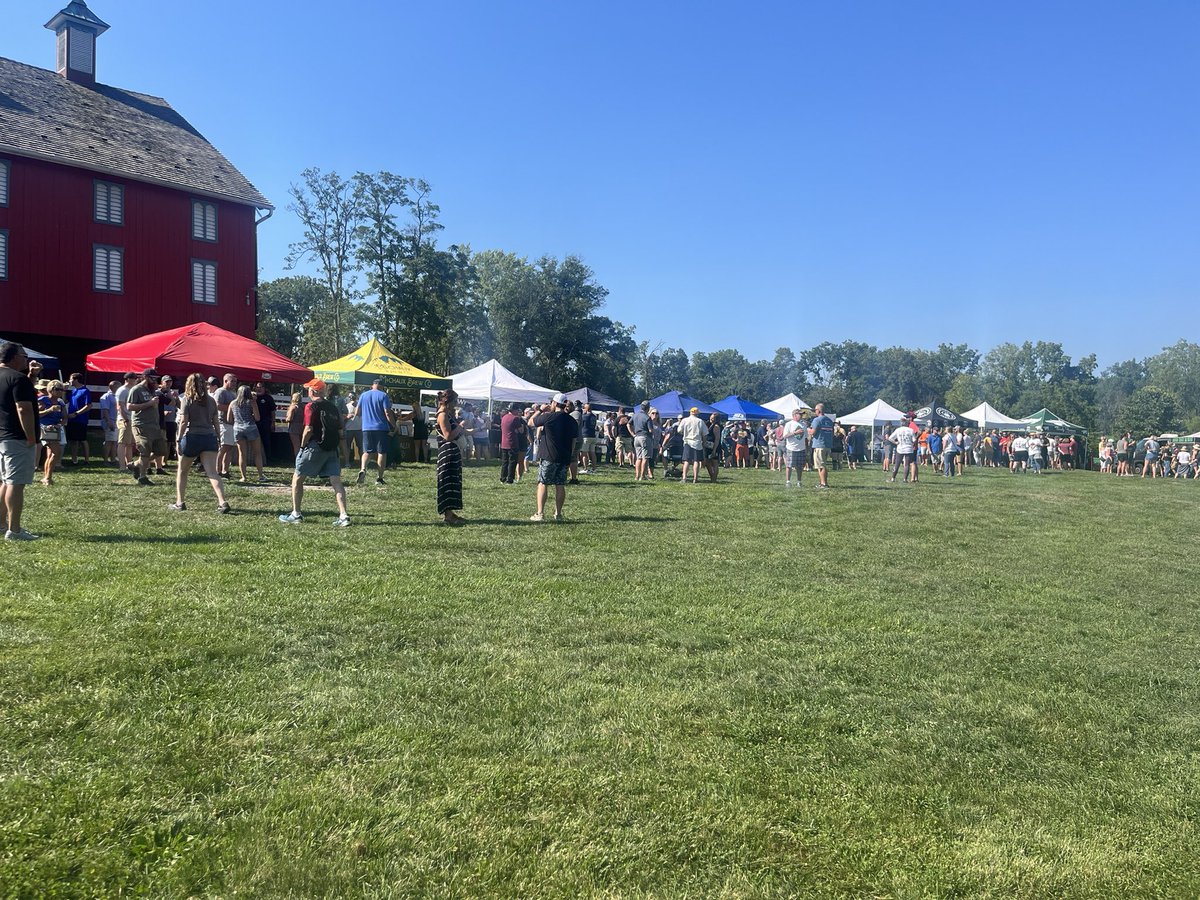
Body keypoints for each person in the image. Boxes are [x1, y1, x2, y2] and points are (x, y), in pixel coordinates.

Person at [279, 379, 350, 526]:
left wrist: (303, 446)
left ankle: (296, 514)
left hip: (315, 446)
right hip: (332, 447)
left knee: (297, 478)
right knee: (336, 482)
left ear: (312, 391)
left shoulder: (311, 406)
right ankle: (344, 515)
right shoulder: (333, 407)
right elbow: (340, 430)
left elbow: (309, 429)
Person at [170, 373, 230, 513]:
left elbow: (184, 421)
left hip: (192, 437)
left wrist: (178, 439)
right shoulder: (211, 400)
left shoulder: (187, 399)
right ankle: (222, 502)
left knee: (182, 471)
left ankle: (180, 502)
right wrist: (218, 438)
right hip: (209, 437)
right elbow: (215, 421)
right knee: (212, 473)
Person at [0, 342, 39, 540]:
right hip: (17, 438)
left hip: (2, 437)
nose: (26, 359)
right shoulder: (18, 379)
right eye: (23, 356)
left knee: (6, 481)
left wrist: (32, 375)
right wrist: (30, 436)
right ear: (14, 357)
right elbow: (23, 408)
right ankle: (14, 530)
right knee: (16, 482)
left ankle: (1, 523)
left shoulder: (8, 377)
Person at [530, 393, 579, 521]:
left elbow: (530, 422)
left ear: (555, 404)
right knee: (560, 485)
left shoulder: (548, 417)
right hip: (564, 457)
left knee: (543, 483)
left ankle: (540, 513)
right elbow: (573, 441)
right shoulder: (572, 421)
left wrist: (540, 410)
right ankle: (558, 514)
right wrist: (570, 456)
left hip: (548, 456)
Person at [127, 369, 168, 485]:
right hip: (141, 425)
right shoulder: (136, 389)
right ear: (145, 377)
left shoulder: (153, 390)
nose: (155, 380)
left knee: (161, 451)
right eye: (152, 378)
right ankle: (143, 476)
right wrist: (148, 404)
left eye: (156, 378)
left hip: (154, 425)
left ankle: (136, 465)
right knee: (145, 452)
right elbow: (129, 407)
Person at [356, 378, 395, 485]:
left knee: (367, 451)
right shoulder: (383, 396)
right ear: (382, 386)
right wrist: (393, 425)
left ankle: (363, 469)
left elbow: (357, 412)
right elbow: (387, 412)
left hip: (366, 428)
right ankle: (379, 478)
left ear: (372, 385)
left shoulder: (363, 395)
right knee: (382, 452)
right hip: (381, 428)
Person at [435, 389, 465, 525]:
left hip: (453, 452)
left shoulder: (449, 414)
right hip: (447, 451)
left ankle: (450, 513)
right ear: (449, 401)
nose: (456, 404)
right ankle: (448, 515)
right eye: (455, 401)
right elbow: (448, 436)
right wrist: (460, 427)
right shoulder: (442, 415)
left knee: (453, 481)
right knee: (447, 482)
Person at [227, 384, 266, 482]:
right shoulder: (251, 402)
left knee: (242, 454)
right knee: (257, 453)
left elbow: (228, 419)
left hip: (238, 428)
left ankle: (243, 477)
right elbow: (257, 418)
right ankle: (261, 475)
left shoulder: (232, 403)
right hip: (251, 427)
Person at [37, 381, 67, 485]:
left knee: (50, 454)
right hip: (45, 429)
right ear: (51, 389)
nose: (60, 392)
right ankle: (48, 478)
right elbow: (37, 414)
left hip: (56, 429)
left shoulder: (60, 402)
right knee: (56, 452)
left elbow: (65, 417)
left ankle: (46, 477)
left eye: (62, 389)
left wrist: (61, 423)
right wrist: (49, 410)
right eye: (58, 389)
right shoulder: (43, 400)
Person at [64, 372, 92, 465]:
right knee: (73, 440)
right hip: (71, 419)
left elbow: (88, 405)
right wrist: (64, 390)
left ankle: (86, 459)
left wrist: (76, 413)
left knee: (82, 439)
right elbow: (64, 401)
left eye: (71, 379)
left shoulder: (85, 391)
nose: (69, 381)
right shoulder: (72, 391)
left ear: (76, 379)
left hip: (81, 419)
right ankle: (74, 459)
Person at [115, 371, 139, 472]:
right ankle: (122, 466)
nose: (135, 380)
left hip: (132, 419)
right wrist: (125, 419)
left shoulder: (132, 389)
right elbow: (119, 406)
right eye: (133, 378)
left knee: (129, 444)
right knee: (122, 443)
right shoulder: (122, 390)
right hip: (124, 419)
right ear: (128, 379)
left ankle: (129, 465)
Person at [215, 373, 238, 478]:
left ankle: (225, 470)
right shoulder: (221, 392)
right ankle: (217, 470)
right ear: (225, 381)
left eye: (235, 381)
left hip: (232, 423)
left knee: (230, 448)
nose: (234, 383)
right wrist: (231, 408)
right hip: (223, 422)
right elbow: (217, 406)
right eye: (232, 381)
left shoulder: (233, 393)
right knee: (224, 447)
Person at [808, 402, 834, 489]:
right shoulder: (829, 420)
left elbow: (813, 432)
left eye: (815, 410)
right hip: (828, 445)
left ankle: (823, 484)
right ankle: (823, 482)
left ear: (818, 410)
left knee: (820, 465)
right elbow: (832, 433)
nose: (815, 411)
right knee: (823, 464)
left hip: (819, 445)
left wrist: (807, 428)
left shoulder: (817, 420)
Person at [499, 403, 525, 485]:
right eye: (517, 410)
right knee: (512, 462)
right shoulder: (515, 418)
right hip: (512, 442)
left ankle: (503, 478)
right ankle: (510, 479)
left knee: (505, 462)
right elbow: (521, 431)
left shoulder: (504, 417)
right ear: (515, 410)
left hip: (504, 442)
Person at [782, 408, 808, 487]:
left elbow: (806, 437)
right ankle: (788, 481)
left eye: (801, 414)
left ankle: (799, 481)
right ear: (794, 415)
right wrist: (795, 432)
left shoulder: (803, 425)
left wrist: (807, 448)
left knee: (799, 466)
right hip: (791, 448)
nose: (801, 415)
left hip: (801, 448)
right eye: (799, 414)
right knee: (789, 466)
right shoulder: (789, 424)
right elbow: (785, 436)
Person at [889, 419, 918, 483]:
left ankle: (893, 478)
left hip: (900, 448)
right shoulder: (911, 430)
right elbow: (914, 440)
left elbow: (890, 438)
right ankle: (905, 479)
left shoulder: (898, 430)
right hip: (908, 448)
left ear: (901, 423)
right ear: (907, 424)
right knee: (907, 464)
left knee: (897, 464)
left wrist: (896, 442)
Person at [254, 383, 276, 462]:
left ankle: (268, 458)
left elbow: (273, 411)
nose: (259, 389)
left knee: (266, 440)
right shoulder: (253, 398)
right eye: (257, 387)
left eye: (261, 387)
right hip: (254, 422)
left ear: (264, 388)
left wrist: (273, 422)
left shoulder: (268, 398)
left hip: (265, 422)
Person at [631, 400, 653, 481]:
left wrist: (632, 433)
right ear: (648, 408)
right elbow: (650, 430)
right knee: (645, 457)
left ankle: (637, 476)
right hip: (645, 437)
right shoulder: (647, 417)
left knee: (638, 458)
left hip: (636, 437)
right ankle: (642, 476)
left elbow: (628, 424)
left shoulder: (635, 415)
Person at [99, 380, 120, 464]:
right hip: (110, 421)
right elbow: (105, 410)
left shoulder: (117, 396)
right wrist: (109, 421)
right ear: (113, 387)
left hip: (117, 421)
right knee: (109, 441)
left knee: (115, 441)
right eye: (118, 386)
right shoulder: (106, 396)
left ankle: (113, 459)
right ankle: (105, 460)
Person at [285, 391, 305, 458]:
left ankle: (297, 459)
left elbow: (290, 419)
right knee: (302, 445)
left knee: (296, 446)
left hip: (294, 427)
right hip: (302, 426)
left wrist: (286, 418)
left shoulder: (293, 407)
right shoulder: (303, 407)